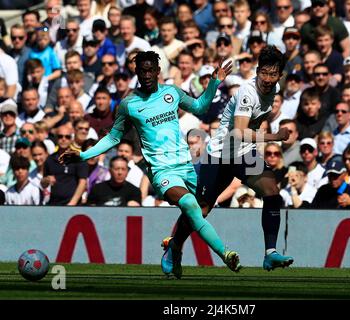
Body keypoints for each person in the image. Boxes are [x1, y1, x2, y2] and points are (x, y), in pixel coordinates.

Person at [59, 50, 241, 278]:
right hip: (162, 171)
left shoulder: (171, 93)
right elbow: (114, 137)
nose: (146, 75)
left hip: (186, 165)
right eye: (141, 70)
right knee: (190, 205)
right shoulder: (129, 105)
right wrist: (84, 155)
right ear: (136, 72)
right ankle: (226, 254)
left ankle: (174, 247)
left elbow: (200, 107)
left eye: (150, 70)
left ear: (157, 71)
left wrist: (214, 82)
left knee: (200, 210)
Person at [164, 46, 294, 276]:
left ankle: (270, 253)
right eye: (263, 72)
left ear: (280, 76)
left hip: (243, 153)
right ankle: (174, 247)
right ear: (257, 70)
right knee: (201, 208)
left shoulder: (272, 90)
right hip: (220, 154)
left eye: (273, 74)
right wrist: (275, 137)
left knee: (272, 192)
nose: (267, 78)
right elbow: (240, 132)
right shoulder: (247, 92)